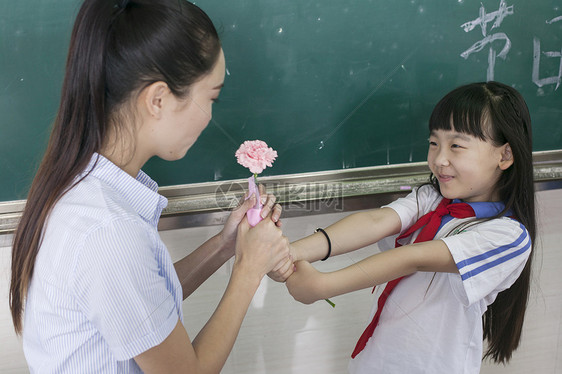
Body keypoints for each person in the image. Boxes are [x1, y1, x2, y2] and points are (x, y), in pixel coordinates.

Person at [9, 0, 291, 372]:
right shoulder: (109, 231)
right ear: (157, 100)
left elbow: (144, 305)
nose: (210, 117)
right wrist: (249, 270)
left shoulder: (84, 191)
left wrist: (225, 246)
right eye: (211, 98)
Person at [280, 81, 536, 373]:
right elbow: (375, 221)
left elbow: (412, 259)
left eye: (456, 146)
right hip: (376, 361)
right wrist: (289, 252)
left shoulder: (508, 236)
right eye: (433, 143)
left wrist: (323, 286)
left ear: (504, 155)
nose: (439, 159)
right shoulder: (430, 199)